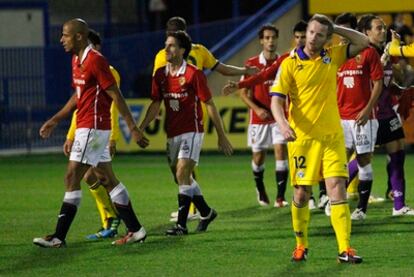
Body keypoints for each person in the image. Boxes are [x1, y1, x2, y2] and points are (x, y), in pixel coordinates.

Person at [33, 18, 148, 248]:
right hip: (88, 127)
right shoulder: (76, 60)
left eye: (65, 35)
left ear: (78, 36)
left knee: (72, 176)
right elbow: (79, 96)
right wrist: (56, 119)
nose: (61, 39)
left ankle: (58, 237)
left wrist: (132, 127)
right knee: (106, 179)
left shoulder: (96, 61)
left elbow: (116, 95)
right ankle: (136, 230)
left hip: (94, 128)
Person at [270, 14, 368, 263]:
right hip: (302, 139)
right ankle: (301, 245)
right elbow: (276, 101)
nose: (313, 38)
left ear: (327, 38)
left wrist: (336, 29)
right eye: (311, 32)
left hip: (332, 137)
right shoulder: (290, 63)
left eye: (320, 34)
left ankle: (345, 249)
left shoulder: (332, 55)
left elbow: (364, 41)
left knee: (337, 188)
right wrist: (282, 124)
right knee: (302, 193)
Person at [153, 16, 256, 222]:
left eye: (174, 34)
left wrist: (244, 72)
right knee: (178, 171)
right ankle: (204, 211)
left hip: (194, 113)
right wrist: (156, 108)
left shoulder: (199, 51)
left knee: (185, 167)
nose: (170, 38)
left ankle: (188, 213)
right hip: (174, 115)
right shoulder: (164, 55)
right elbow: (159, 83)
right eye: (169, 33)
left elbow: (221, 68)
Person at [139, 30, 233, 235]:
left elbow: (209, 104)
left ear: (182, 50)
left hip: (193, 129)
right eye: (166, 44)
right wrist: (141, 128)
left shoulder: (193, 74)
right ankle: (206, 212)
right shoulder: (160, 75)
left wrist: (221, 134)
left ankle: (181, 225)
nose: (166, 48)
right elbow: (155, 104)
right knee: (181, 177)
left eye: (171, 45)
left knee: (183, 172)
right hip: (172, 131)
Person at [64, 29, 121, 239]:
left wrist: (113, 137)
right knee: (92, 176)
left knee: (92, 176)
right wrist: (71, 135)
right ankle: (113, 218)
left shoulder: (108, 70)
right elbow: (80, 105)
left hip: (99, 130)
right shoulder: (81, 65)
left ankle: (113, 218)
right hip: (85, 129)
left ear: (96, 47)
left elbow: (113, 106)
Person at [360, 14, 414, 216]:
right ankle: (333, 193)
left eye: (383, 27)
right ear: (366, 32)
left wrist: (400, 89)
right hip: (370, 113)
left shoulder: (385, 52)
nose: (382, 31)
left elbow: (391, 81)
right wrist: (379, 66)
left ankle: (398, 205)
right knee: (363, 157)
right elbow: (361, 84)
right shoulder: (362, 53)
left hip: (387, 111)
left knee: (398, 152)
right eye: (378, 28)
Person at [334, 13, 384, 220]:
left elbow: (378, 84)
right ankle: (333, 200)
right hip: (339, 117)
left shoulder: (368, 53)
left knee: (363, 160)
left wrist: (367, 110)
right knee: (337, 162)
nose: (343, 36)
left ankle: (361, 209)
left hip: (363, 117)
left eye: (347, 31)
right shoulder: (334, 55)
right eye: (339, 31)